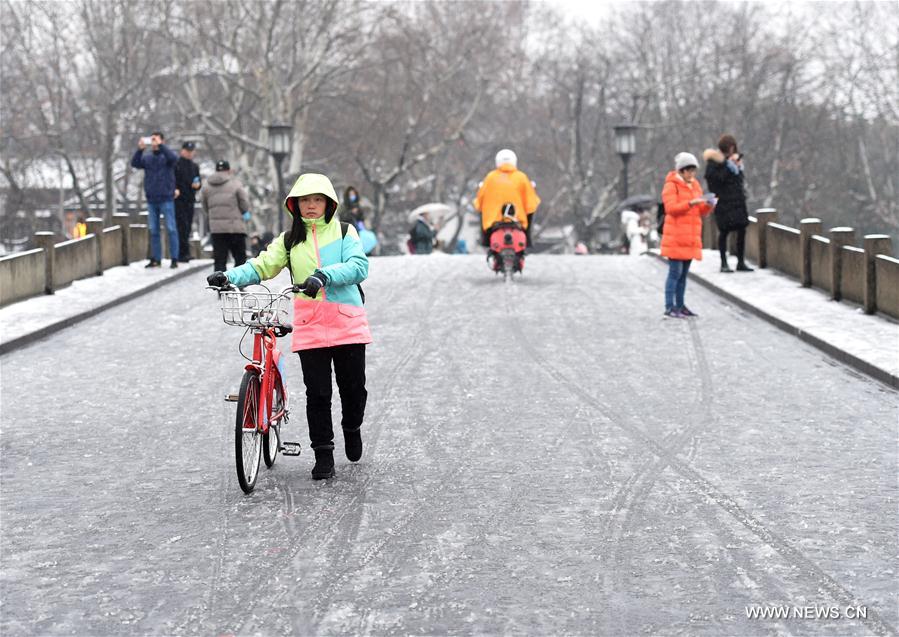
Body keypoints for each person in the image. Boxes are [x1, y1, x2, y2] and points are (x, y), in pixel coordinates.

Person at [206, 173, 371, 480]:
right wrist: (230, 277)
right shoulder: (289, 240)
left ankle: (352, 427)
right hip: (310, 322)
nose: (311, 206)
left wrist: (324, 276)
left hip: (347, 319)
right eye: (305, 201)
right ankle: (323, 453)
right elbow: (262, 265)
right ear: (295, 205)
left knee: (353, 389)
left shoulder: (345, 232)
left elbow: (359, 266)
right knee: (318, 393)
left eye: (317, 200)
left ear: (328, 204)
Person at [660, 152, 715, 318]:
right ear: (681, 171)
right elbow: (671, 209)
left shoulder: (695, 185)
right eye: (689, 171)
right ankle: (670, 306)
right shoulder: (671, 185)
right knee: (674, 273)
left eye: (693, 171)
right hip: (676, 237)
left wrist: (708, 205)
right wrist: (691, 203)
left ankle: (680, 304)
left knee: (683, 275)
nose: (692, 174)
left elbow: (700, 211)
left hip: (690, 237)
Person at [704, 135, 753, 273]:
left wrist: (737, 168)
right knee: (724, 232)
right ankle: (724, 263)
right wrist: (728, 167)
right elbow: (715, 181)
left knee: (741, 230)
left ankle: (741, 261)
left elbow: (738, 182)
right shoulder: (714, 163)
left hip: (737, 201)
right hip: (724, 202)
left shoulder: (734, 163)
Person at [474, 149, 540, 249]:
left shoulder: (490, 177)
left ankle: (485, 240)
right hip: (518, 219)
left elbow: (480, 201)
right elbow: (531, 203)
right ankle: (528, 240)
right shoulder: (521, 177)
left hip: (493, 221)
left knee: (481, 213)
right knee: (531, 212)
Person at [131, 131, 179, 268]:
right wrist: (140, 149)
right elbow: (135, 163)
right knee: (154, 230)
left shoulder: (167, 156)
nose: (153, 143)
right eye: (151, 140)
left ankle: (174, 258)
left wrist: (161, 146)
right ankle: (156, 258)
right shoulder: (147, 158)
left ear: (162, 141)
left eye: (156, 140)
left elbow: (174, 159)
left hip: (166, 197)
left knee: (171, 229)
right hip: (152, 198)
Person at [202, 160, 251, 272]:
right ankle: (238, 283)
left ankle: (220, 284)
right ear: (229, 170)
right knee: (239, 258)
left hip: (217, 229)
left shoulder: (206, 186)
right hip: (235, 228)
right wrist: (243, 212)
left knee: (220, 259)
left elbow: (205, 207)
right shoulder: (236, 184)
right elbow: (244, 205)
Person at [174, 141, 202, 263]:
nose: (190, 154)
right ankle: (181, 253)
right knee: (181, 226)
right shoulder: (176, 164)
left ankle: (185, 252)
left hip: (190, 199)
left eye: (192, 151)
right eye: (187, 151)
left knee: (188, 226)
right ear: (182, 151)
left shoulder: (194, 166)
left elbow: (198, 181)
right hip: (179, 199)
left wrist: (197, 185)